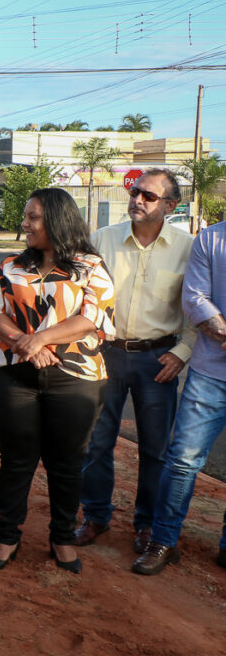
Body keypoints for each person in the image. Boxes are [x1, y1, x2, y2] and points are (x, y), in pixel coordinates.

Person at [0, 188, 114, 574]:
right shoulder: (10, 266)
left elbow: (92, 317)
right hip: (15, 377)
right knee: (16, 461)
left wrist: (37, 338)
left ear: (57, 220)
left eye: (33, 217)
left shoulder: (90, 266)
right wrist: (27, 346)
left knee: (67, 464)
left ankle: (62, 538)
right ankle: (7, 536)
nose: (25, 223)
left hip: (75, 378)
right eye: (26, 216)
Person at [77, 169, 195, 555]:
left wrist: (182, 353)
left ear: (170, 206)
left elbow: (198, 306)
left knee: (155, 450)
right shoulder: (102, 239)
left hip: (158, 359)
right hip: (106, 354)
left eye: (148, 196)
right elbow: (82, 294)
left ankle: (147, 526)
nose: (137, 200)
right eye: (135, 192)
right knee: (96, 442)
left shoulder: (188, 247)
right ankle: (95, 515)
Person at [132, 218, 226, 575]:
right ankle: (164, 540)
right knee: (184, 459)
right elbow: (195, 297)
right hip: (210, 372)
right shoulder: (212, 239)